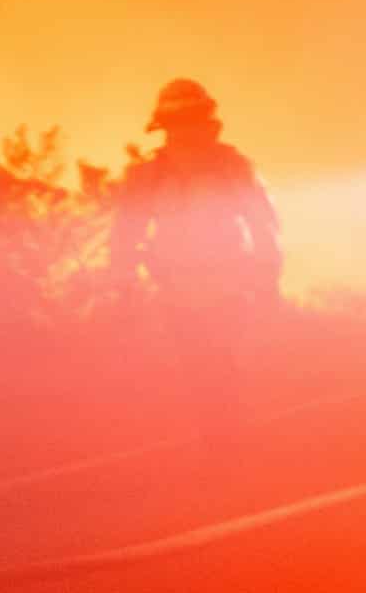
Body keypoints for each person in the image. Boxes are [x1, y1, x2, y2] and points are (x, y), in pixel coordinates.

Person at [111, 78, 282, 436]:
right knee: (198, 366)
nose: (185, 132)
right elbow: (127, 234)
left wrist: (266, 277)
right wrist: (123, 282)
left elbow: (262, 224)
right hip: (177, 291)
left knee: (219, 359)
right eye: (179, 123)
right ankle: (222, 437)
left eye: (190, 121)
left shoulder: (232, 166)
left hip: (230, 286)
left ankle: (230, 434)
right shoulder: (147, 175)